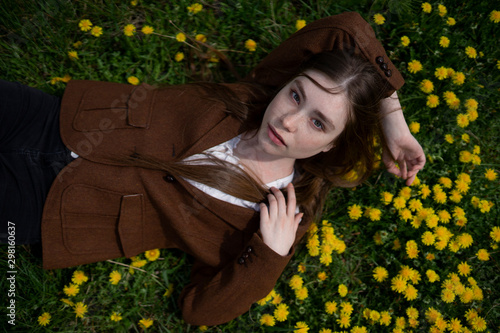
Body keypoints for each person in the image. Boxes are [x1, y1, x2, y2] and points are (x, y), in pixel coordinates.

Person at [1, 12, 425, 325]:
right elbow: (348, 28)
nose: (288, 120)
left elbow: (198, 310)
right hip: (58, 119)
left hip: (56, 208)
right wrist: (391, 115)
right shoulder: (252, 95)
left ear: (332, 144)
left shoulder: (272, 218)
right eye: (296, 95)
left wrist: (267, 258)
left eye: (319, 122)